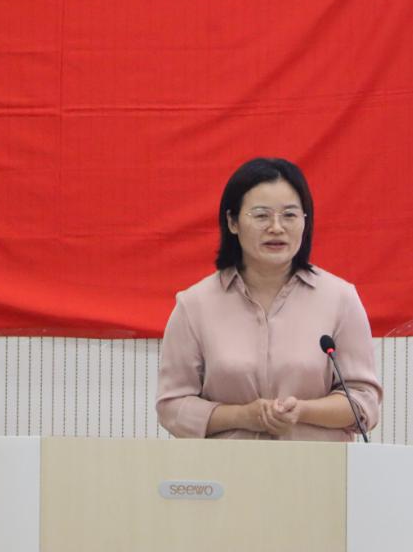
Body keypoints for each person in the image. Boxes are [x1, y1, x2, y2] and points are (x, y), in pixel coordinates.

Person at [156, 157, 382, 441]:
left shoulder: (340, 299)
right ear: (233, 222)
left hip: (317, 466)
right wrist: (244, 416)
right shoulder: (195, 305)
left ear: (305, 222)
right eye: (261, 215)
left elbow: (363, 400)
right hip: (228, 466)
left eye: (289, 215)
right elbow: (172, 407)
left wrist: (302, 411)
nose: (276, 227)